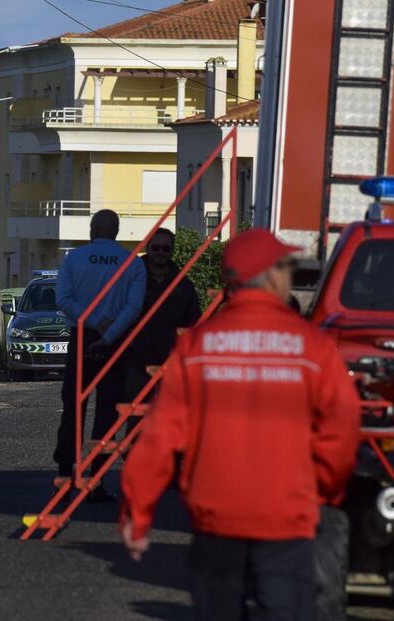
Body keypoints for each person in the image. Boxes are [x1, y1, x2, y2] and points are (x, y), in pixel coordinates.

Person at [120, 228, 361, 621]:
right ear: (271, 275)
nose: (290, 275)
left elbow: (160, 437)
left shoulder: (196, 347)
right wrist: (321, 489)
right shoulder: (313, 348)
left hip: (216, 518)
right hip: (287, 518)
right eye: (287, 266)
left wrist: (138, 511)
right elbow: (342, 431)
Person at [55, 209, 146, 501]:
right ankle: (97, 479)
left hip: (82, 337)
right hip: (116, 341)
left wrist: (93, 322)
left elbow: (63, 300)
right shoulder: (132, 263)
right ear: (117, 232)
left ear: (91, 229)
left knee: (73, 407)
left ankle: (65, 473)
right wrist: (109, 333)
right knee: (107, 411)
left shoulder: (74, 258)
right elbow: (134, 308)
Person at [123, 228, 201, 421]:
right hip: (136, 360)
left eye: (165, 248)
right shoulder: (130, 279)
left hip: (171, 360)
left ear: (172, 251)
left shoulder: (183, 284)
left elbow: (194, 322)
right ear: (147, 248)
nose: (160, 252)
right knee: (137, 419)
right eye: (156, 247)